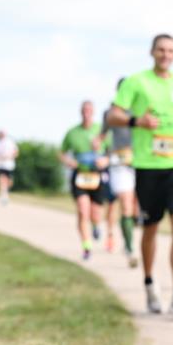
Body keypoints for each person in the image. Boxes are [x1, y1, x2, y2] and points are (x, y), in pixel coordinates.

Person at [107, 35, 173, 316]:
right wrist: (138, 121)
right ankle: (149, 284)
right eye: (161, 49)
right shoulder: (137, 82)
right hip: (148, 166)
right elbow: (113, 116)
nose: (165, 54)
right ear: (151, 52)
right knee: (150, 228)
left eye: (171, 50)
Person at [60, 101, 109, 261]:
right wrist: (69, 161)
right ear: (80, 112)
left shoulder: (101, 131)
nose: (86, 113)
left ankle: (96, 225)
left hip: (97, 176)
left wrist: (105, 160)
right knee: (82, 210)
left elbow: (112, 151)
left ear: (93, 112)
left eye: (89, 110)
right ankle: (86, 246)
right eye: (84, 110)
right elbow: (61, 153)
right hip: (80, 175)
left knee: (95, 213)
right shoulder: (72, 132)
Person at [103, 79, 140, 268]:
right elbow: (101, 136)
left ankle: (131, 233)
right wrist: (101, 153)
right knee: (125, 203)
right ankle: (130, 247)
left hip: (141, 161)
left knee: (135, 205)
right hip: (120, 162)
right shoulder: (110, 113)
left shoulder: (141, 109)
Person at [0, 130, 20, 205]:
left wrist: (10, 157)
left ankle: (6, 192)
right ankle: (3, 195)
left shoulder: (10, 142)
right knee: (1, 178)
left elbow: (16, 152)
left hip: (9, 164)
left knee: (9, 181)